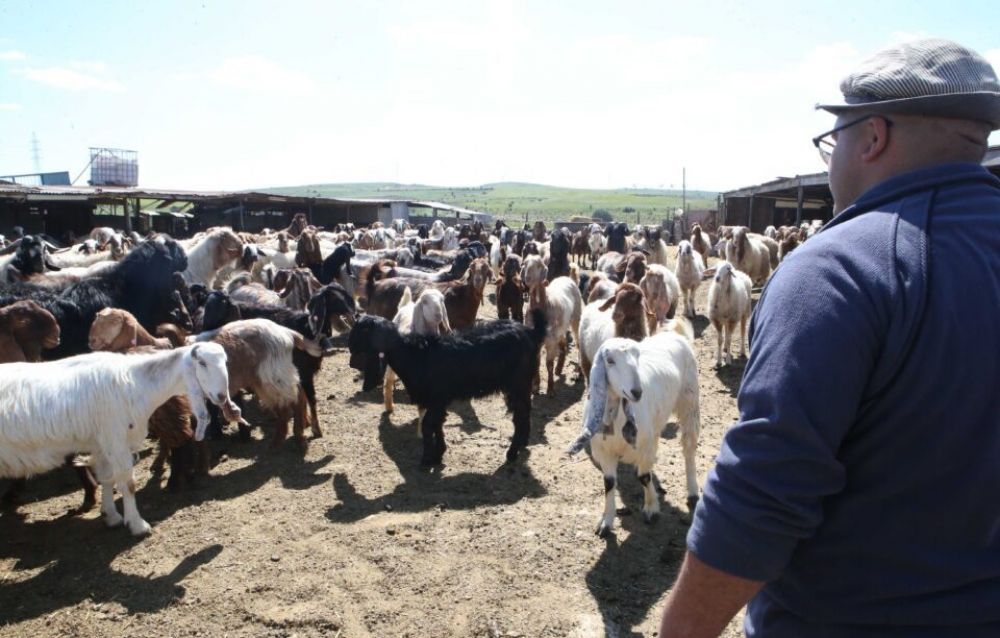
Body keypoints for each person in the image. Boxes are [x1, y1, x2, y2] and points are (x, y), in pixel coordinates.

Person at [658, 38, 1000, 637]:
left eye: (833, 138)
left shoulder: (840, 269)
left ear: (872, 137)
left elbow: (764, 490)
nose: (831, 155)